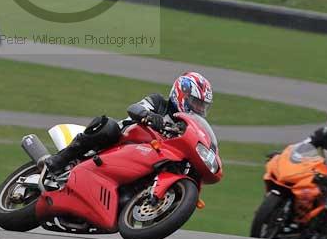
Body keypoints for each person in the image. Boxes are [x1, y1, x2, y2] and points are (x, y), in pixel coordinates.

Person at [43, 71, 214, 175]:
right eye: (195, 102)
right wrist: (149, 116)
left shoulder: (185, 126)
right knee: (108, 127)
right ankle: (60, 159)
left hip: (148, 157)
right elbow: (134, 108)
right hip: (122, 140)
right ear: (180, 93)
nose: (198, 109)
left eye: (202, 106)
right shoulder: (158, 102)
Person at [310, 109, 327, 231]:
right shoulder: (324, 134)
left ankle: (325, 226)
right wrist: (287, 154)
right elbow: (305, 146)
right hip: (322, 171)